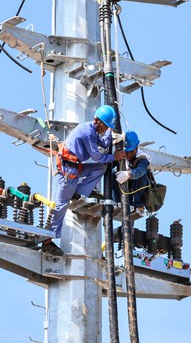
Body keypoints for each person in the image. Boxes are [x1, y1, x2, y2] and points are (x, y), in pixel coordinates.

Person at [40, 104, 125, 256]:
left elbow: (103, 144)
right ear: (99, 122)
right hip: (68, 171)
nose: (106, 128)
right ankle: (47, 240)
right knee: (61, 205)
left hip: (74, 167)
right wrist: (114, 157)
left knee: (100, 168)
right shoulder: (87, 131)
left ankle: (77, 193)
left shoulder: (94, 130)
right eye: (106, 126)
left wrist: (110, 135)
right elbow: (96, 156)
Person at [115, 130, 151, 212]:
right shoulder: (122, 155)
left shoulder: (142, 158)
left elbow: (141, 170)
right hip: (128, 191)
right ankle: (116, 201)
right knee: (115, 173)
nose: (128, 155)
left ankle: (138, 205)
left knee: (140, 176)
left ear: (136, 148)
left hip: (139, 193)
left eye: (131, 151)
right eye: (127, 152)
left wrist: (129, 174)